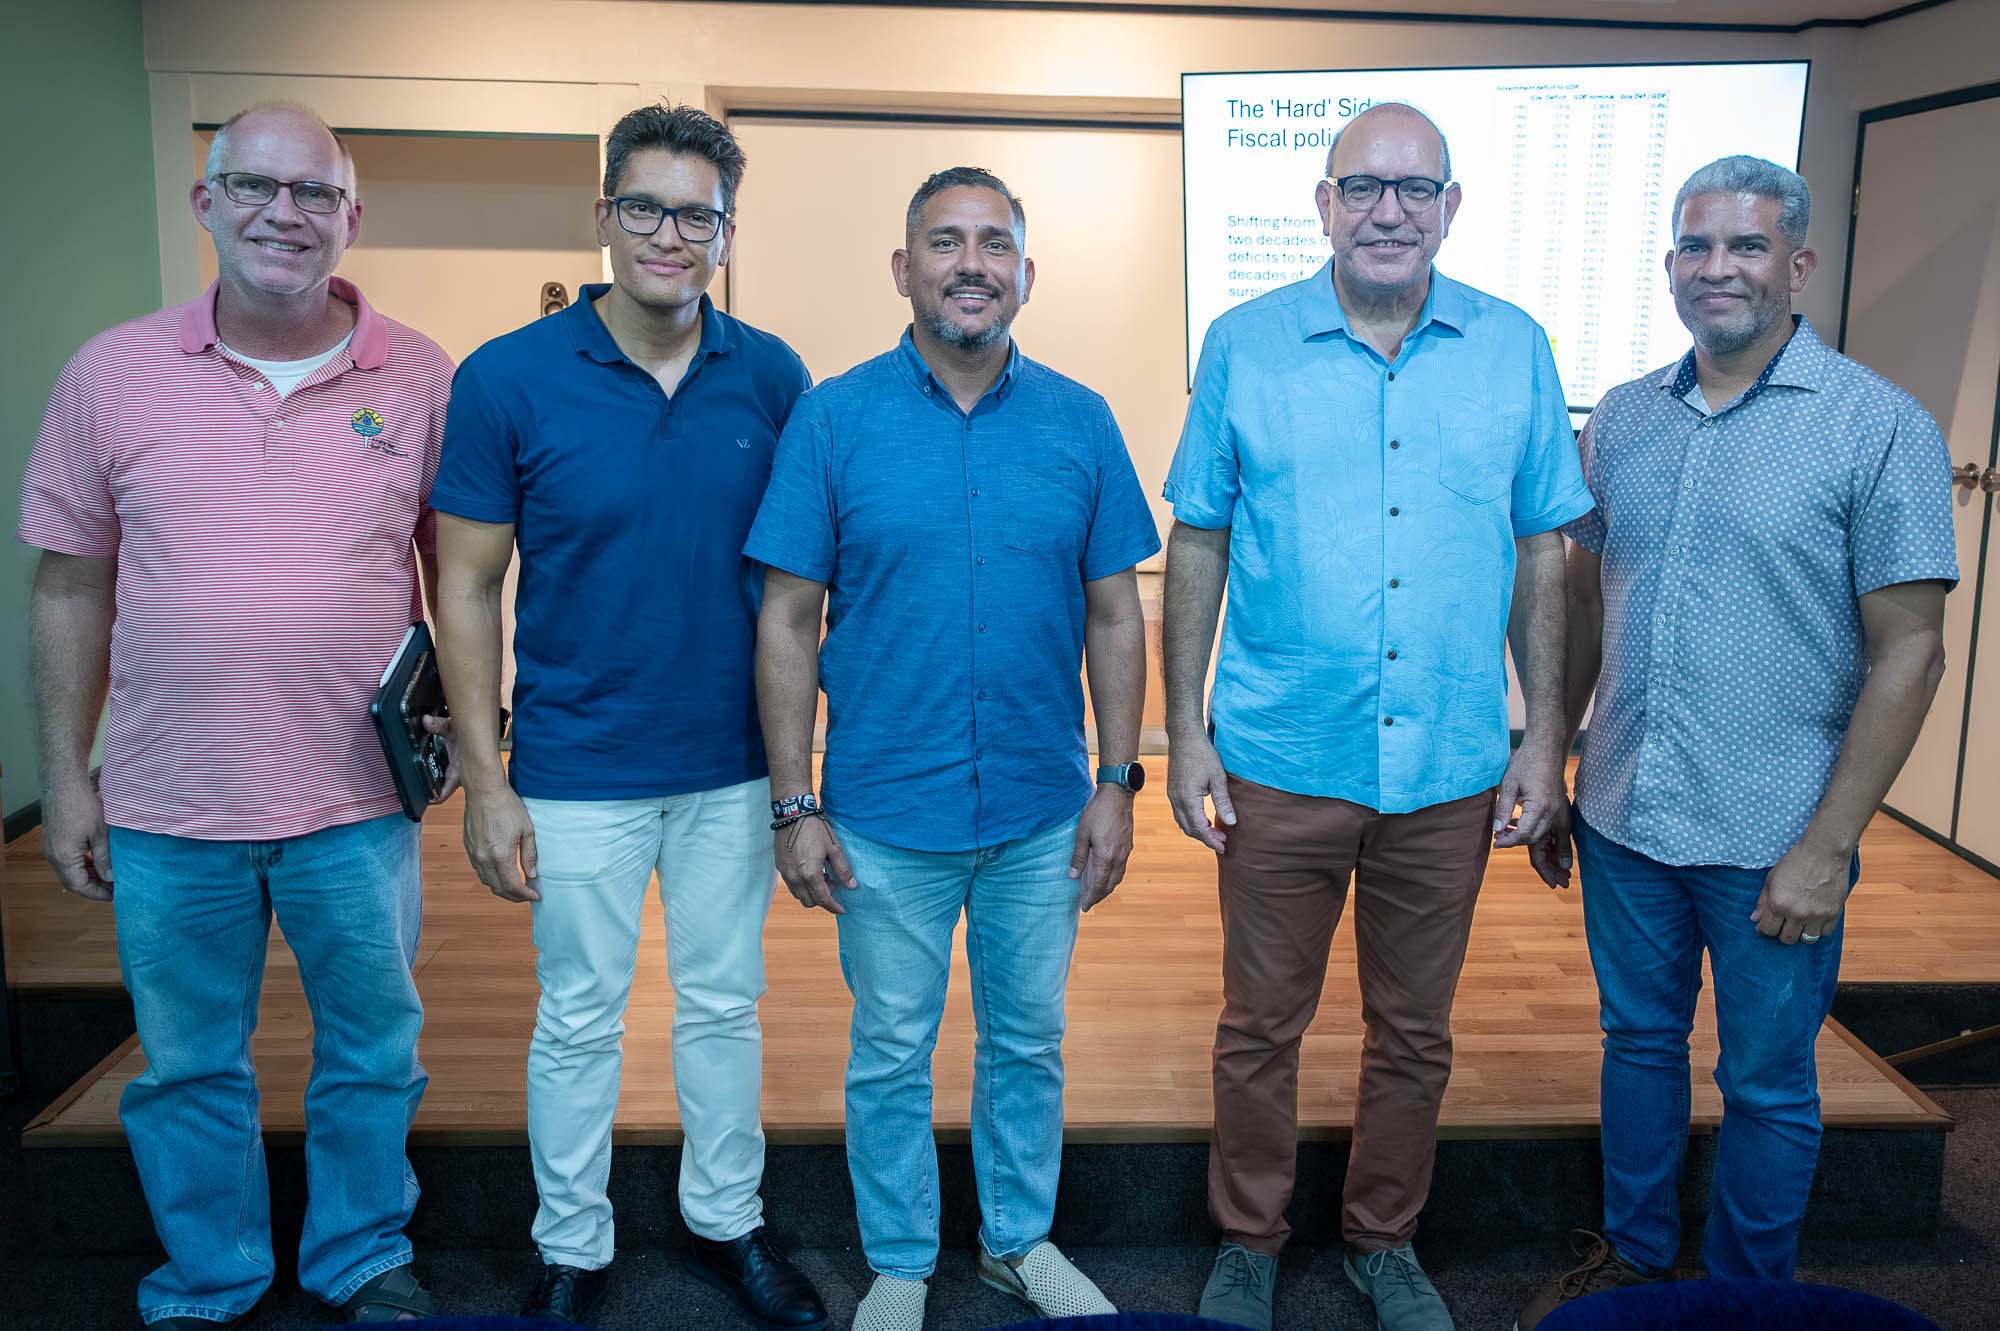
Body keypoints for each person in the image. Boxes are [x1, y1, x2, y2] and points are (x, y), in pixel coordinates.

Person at [1161, 103, 1594, 1331]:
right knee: (1259, 1024)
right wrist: (1182, 730)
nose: (1387, 211)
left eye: (1413, 189)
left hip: (1448, 763)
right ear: (1323, 203)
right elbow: (1199, 537)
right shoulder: (1244, 343)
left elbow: (1540, 548)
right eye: (1361, 187)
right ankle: (1248, 1236)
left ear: (1449, 206)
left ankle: (1383, 1238)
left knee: (1412, 1031)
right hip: (1280, 750)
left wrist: (1541, 737)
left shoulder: (1512, 346)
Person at [19, 101, 450, 1326]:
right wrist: (66, 776)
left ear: (351, 218)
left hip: (355, 799)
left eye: (313, 193)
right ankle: (210, 1274)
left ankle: (361, 1249)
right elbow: (68, 586)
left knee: (373, 1047)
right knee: (189, 1061)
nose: (283, 213)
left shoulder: (420, 376)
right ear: (205, 202)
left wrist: (470, 725)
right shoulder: (109, 374)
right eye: (255, 185)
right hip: (169, 799)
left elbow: (460, 574)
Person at [1513, 156, 1957, 1330]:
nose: (1716, 268)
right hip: (1623, 810)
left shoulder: (1878, 426)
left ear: (1795, 263)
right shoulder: (1623, 417)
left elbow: (1910, 653)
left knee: (1763, 1081)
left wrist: (1830, 845)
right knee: (1636, 1040)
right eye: (1694, 246)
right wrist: (1551, 760)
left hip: (1774, 830)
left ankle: (1738, 1301)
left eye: (1745, 246)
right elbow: (1584, 598)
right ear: (1668, 265)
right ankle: (1629, 1258)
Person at [428, 104, 824, 1329]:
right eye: (644, 207)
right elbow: (466, 586)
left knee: (722, 1003)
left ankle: (726, 1221)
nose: (669, 234)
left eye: (696, 215)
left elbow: (803, 587)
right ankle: (570, 1245)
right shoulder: (506, 378)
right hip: (575, 764)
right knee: (577, 1017)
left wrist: (802, 776)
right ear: (602, 214)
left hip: (729, 763)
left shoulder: (773, 375)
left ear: (726, 232)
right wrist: (486, 778)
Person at [747, 166, 1160, 1331]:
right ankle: (898, 1259)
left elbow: (1115, 612)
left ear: (1024, 274)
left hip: (1039, 809)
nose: (970, 263)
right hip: (883, 814)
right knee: (890, 1047)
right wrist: (793, 803)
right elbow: (786, 619)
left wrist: (1118, 781)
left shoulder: (1080, 420)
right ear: (903, 268)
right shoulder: (834, 418)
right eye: (944, 241)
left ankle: (1017, 1241)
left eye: (993, 243)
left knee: (1026, 1040)